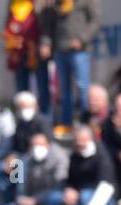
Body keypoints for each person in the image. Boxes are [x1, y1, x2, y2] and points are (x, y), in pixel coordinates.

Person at [41, 0, 100, 134]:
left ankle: (87, 121)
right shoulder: (55, 3)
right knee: (64, 89)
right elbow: (49, 27)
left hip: (79, 50)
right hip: (60, 50)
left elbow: (95, 21)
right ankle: (67, 122)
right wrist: (46, 43)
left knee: (82, 86)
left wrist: (82, 39)